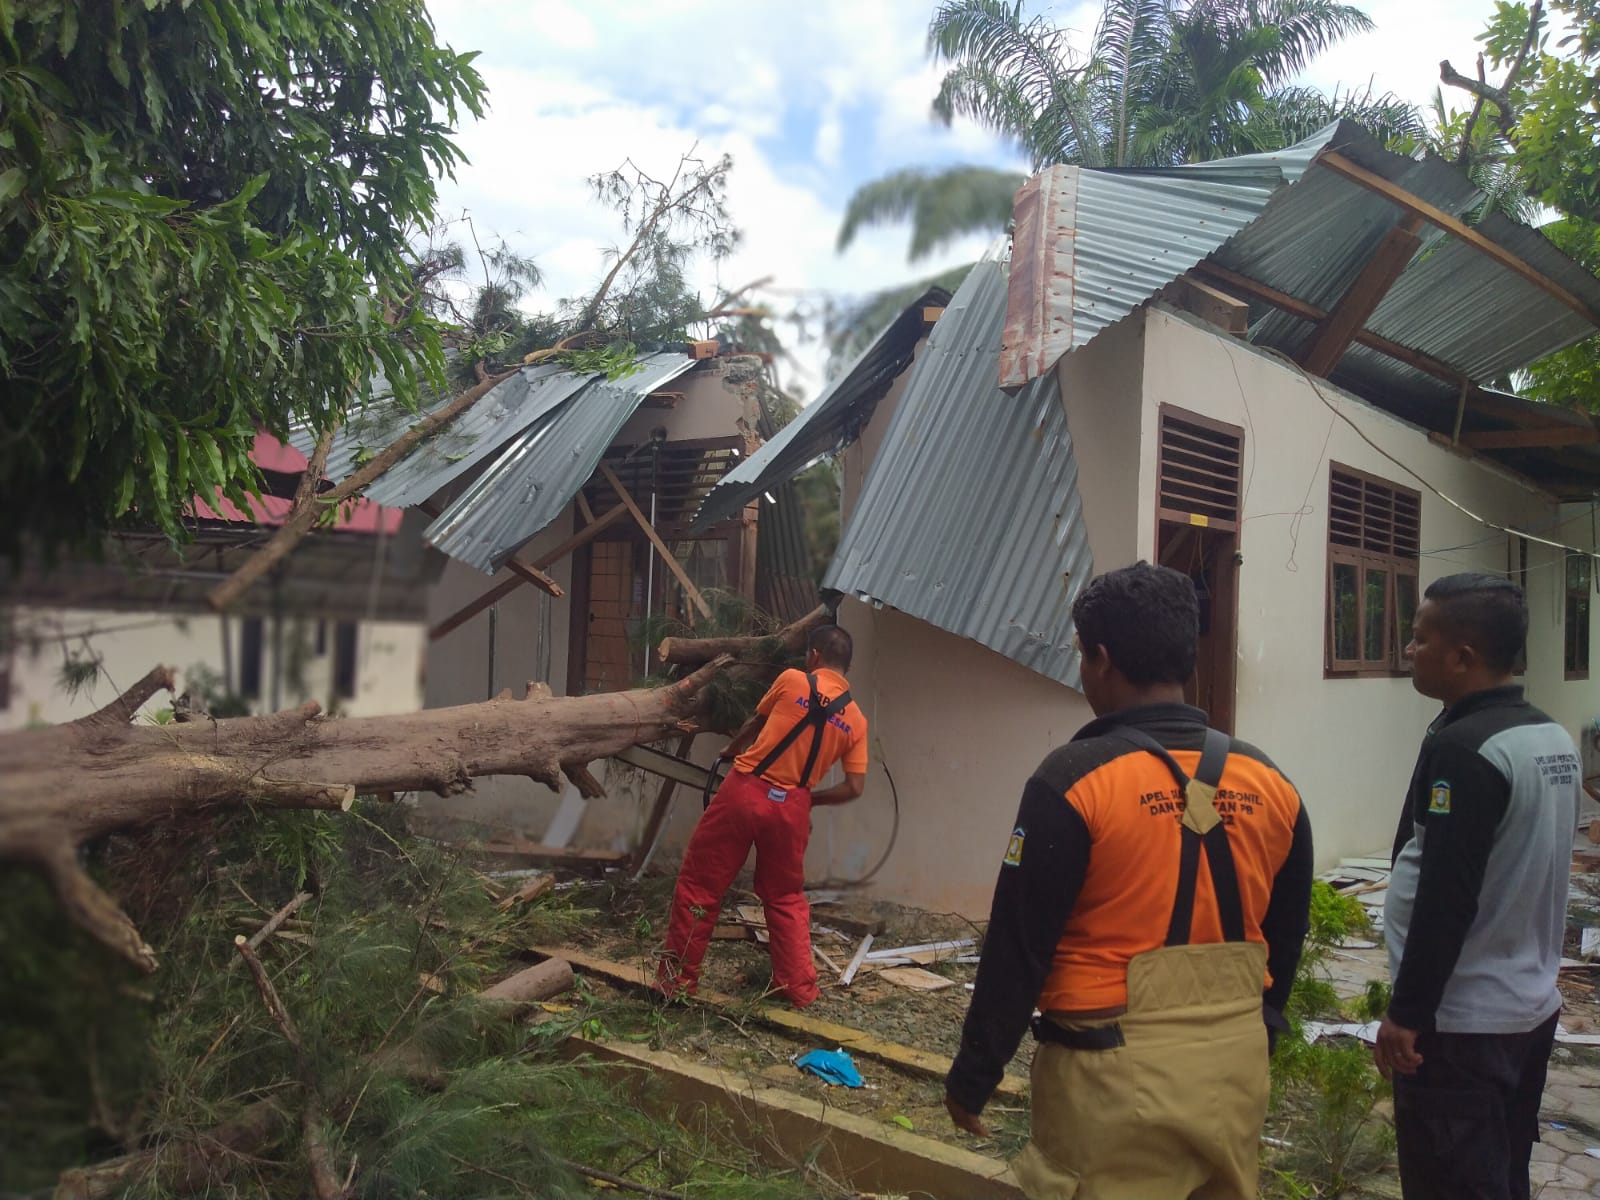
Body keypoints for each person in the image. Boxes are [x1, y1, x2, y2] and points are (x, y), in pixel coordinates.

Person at [945, 562, 1313, 1200]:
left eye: (1083, 657)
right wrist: (1266, 1025)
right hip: (1236, 1068)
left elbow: (1019, 943)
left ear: (1102, 659)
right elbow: (1286, 928)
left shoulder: (1073, 779)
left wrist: (976, 1072)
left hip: (1108, 1077)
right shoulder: (1270, 782)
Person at [1375, 573, 1582, 1200]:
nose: (1409, 651)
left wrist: (1408, 1014)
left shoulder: (1469, 750)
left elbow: (1448, 892)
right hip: (1525, 1005)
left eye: (1418, 639)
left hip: (1461, 1022)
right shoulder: (1546, 736)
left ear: (1462, 657)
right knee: (1500, 1175)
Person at [657, 624, 867, 1009]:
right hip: (792, 809)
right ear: (846, 668)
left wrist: (728, 751)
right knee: (786, 898)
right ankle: (799, 990)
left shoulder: (790, 680)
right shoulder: (856, 721)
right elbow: (855, 788)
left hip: (746, 791)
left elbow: (755, 724)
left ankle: (676, 985)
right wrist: (809, 802)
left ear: (814, 657)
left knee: (700, 887)